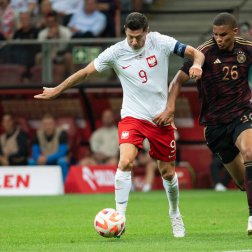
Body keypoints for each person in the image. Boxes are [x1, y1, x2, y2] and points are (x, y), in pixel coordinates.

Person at [34, 12, 204, 238]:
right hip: (132, 117)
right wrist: (57, 90)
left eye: (139, 38)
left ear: (147, 31)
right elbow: (85, 72)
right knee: (125, 161)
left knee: (168, 173)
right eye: (130, 37)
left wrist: (199, 66)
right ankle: (120, 219)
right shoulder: (115, 52)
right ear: (125, 30)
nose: (134, 42)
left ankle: (174, 213)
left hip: (160, 118)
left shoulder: (160, 41)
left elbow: (195, 53)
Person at [154, 12, 252, 236]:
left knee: (251, 151)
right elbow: (177, 81)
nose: (219, 38)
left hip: (242, 115)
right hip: (215, 125)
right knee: (241, 182)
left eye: (223, 35)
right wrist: (170, 108)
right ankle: (250, 186)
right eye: (215, 34)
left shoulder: (248, 48)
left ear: (235, 32)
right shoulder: (203, 52)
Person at [29, 114, 70, 180]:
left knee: (62, 161)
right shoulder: (37, 134)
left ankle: (65, 185)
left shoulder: (61, 133)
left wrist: (47, 158)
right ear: (42, 125)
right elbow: (35, 151)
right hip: (43, 159)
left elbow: (62, 152)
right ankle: (34, 183)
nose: (48, 126)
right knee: (31, 162)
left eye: (50, 124)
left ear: (54, 124)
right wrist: (38, 158)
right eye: (45, 124)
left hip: (56, 158)